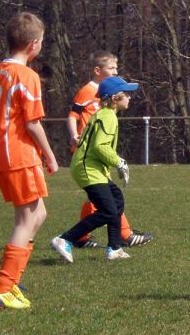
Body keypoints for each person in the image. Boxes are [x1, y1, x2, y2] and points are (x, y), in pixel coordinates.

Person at [0, 12, 59, 309]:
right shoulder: (27, 76)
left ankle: (11, 282)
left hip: (1, 154)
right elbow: (33, 123)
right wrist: (50, 155)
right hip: (20, 155)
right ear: (34, 44)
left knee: (37, 215)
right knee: (28, 219)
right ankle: (2, 287)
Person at [66, 51, 153, 249]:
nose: (115, 71)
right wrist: (74, 136)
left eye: (116, 68)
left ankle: (110, 243)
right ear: (98, 70)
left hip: (97, 153)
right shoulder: (92, 97)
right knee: (107, 202)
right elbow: (73, 116)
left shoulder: (107, 110)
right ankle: (74, 238)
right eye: (111, 68)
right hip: (90, 154)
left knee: (108, 198)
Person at [51, 76, 138, 262]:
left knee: (116, 200)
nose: (130, 97)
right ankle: (65, 239)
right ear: (115, 98)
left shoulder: (103, 114)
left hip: (91, 168)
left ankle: (115, 248)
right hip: (87, 169)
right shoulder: (108, 117)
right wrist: (120, 162)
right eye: (127, 94)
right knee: (108, 210)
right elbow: (100, 147)